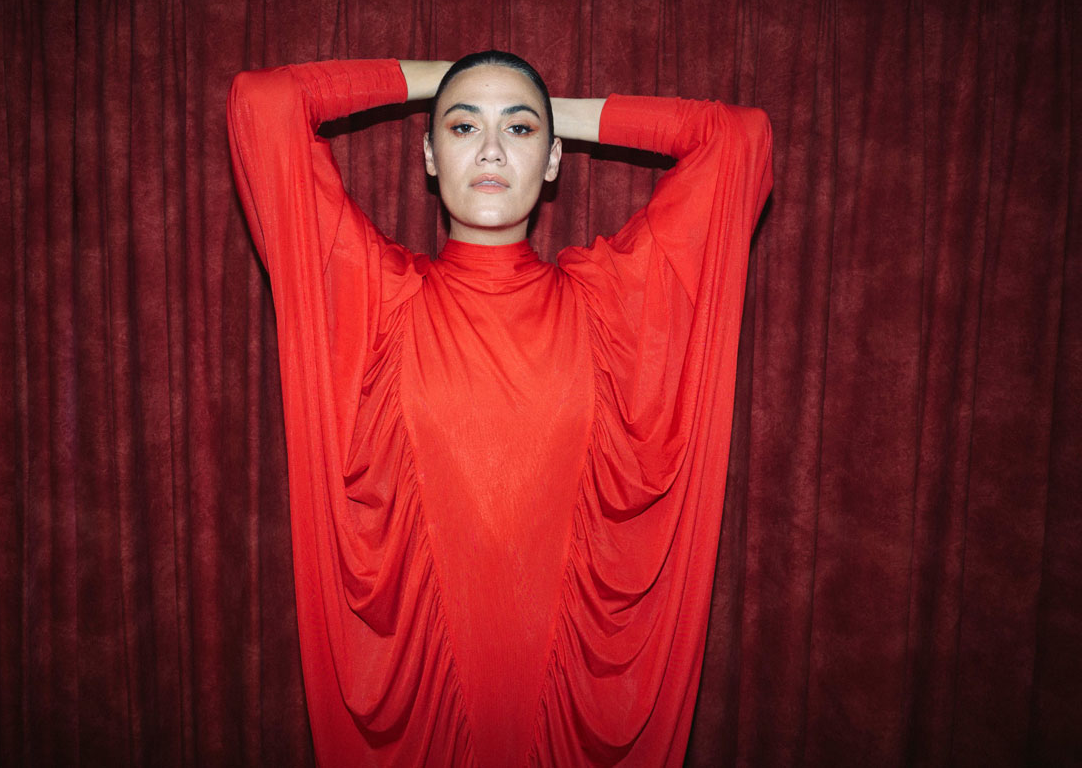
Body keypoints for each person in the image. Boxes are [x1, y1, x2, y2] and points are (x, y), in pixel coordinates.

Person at [226, 50, 772, 767]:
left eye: (517, 131)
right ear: (427, 154)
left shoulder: (606, 308)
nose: (489, 149)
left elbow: (739, 140)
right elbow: (264, 103)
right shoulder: (379, 302)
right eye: (460, 128)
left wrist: (552, 110)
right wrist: (449, 74)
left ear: (553, 162)